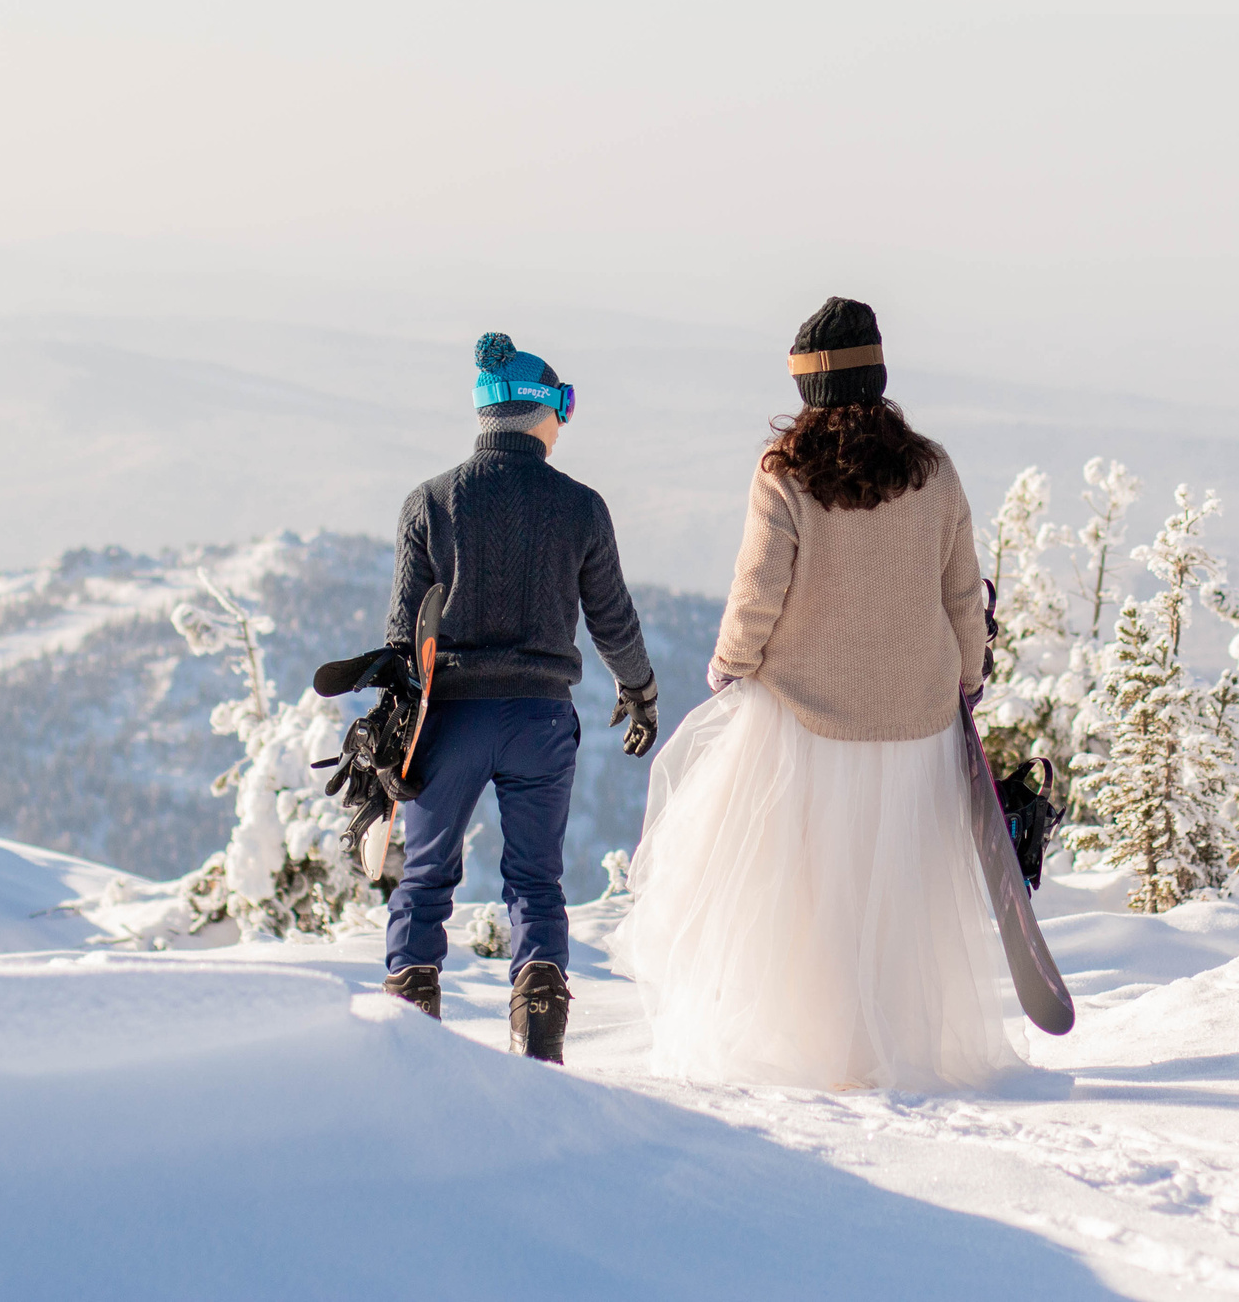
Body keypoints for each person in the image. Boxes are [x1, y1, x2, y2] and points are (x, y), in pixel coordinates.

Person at [620, 297, 1022, 1091]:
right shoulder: (933, 470)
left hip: (805, 717)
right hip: (915, 717)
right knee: (897, 891)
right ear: (878, 374)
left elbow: (758, 588)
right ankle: (894, 1044)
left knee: (802, 895)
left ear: (806, 388)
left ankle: (820, 1047)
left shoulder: (786, 474)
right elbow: (959, 596)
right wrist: (967, 678)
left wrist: (731, 664)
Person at [380, 332, 659, 1064]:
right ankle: (539, 1026)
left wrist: (393, 731)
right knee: (536, 877)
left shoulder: (430, 500)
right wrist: (639, 688)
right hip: (540, 718)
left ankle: (409, 1028)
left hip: (453, 720)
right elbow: (612, 617)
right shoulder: (581, 505)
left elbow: (404, 635)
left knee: (427, 871)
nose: (565, 421)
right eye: (563, 403)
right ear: (537, 410)